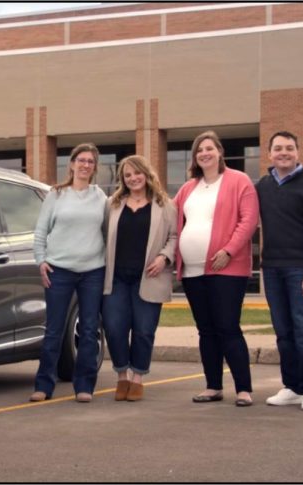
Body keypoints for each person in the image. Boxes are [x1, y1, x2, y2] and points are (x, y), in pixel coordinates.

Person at [173, 130, 259, 407]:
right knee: (206, 330)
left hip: (227, 269)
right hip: (192, 272)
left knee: (228, 327)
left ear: (219, 152)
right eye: (199, 150)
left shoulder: (239, 181)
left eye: (209, 148)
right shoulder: (189, 188)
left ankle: (244, 389)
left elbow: (249, 220)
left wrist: (229, 251)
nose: (204, 153)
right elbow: (169, 216)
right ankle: (213, 386)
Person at [256, 131, 303, 411]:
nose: (283, 152)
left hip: (302, 270)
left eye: (289, 148)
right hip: (273, 269)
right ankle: (292, 387)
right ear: (269, 154)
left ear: (298, 152)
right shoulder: (262, 186)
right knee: (283, 331)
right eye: (278, 148)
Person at [31, 143, 107, 403]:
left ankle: (84, 385)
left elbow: (109, 233)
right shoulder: (56, 194)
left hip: (93, 272)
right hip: (59, 270)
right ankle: (43, 385)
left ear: (94, 168)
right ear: (72, 164)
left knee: (88, 330)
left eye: (91, 162)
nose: (86, 165)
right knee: (54, 329)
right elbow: (41, 232)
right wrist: (41, 260)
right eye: (81, 160)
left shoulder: (101, 198)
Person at [102, 155, 177, 401]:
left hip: (149, 277)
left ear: (146, 174)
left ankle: (137, 378)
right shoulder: (113, 204)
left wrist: (164, 257)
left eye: (137, 173)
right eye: (127, 175)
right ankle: (122, 376)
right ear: (122, 180)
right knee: (114, 329)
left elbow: (174, 237)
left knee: (144, 330)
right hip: (117, 279)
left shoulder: (164, 204)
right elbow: (103, 235)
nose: (133, 178)